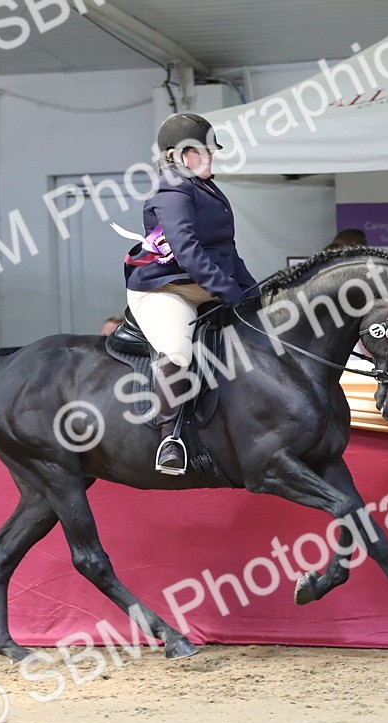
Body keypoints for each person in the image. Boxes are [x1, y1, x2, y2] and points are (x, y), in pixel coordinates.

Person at [124, 112, 258, 475]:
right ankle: (170, 437)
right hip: (165, 290)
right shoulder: (171, 188)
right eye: (201, 150)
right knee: (179, 352)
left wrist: (253, 293)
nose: (210, 156)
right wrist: (228, 292)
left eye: (211, 150)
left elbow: (227, 251)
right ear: (176, 155)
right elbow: (187, 251)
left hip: (203, 286)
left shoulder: (207, 188)